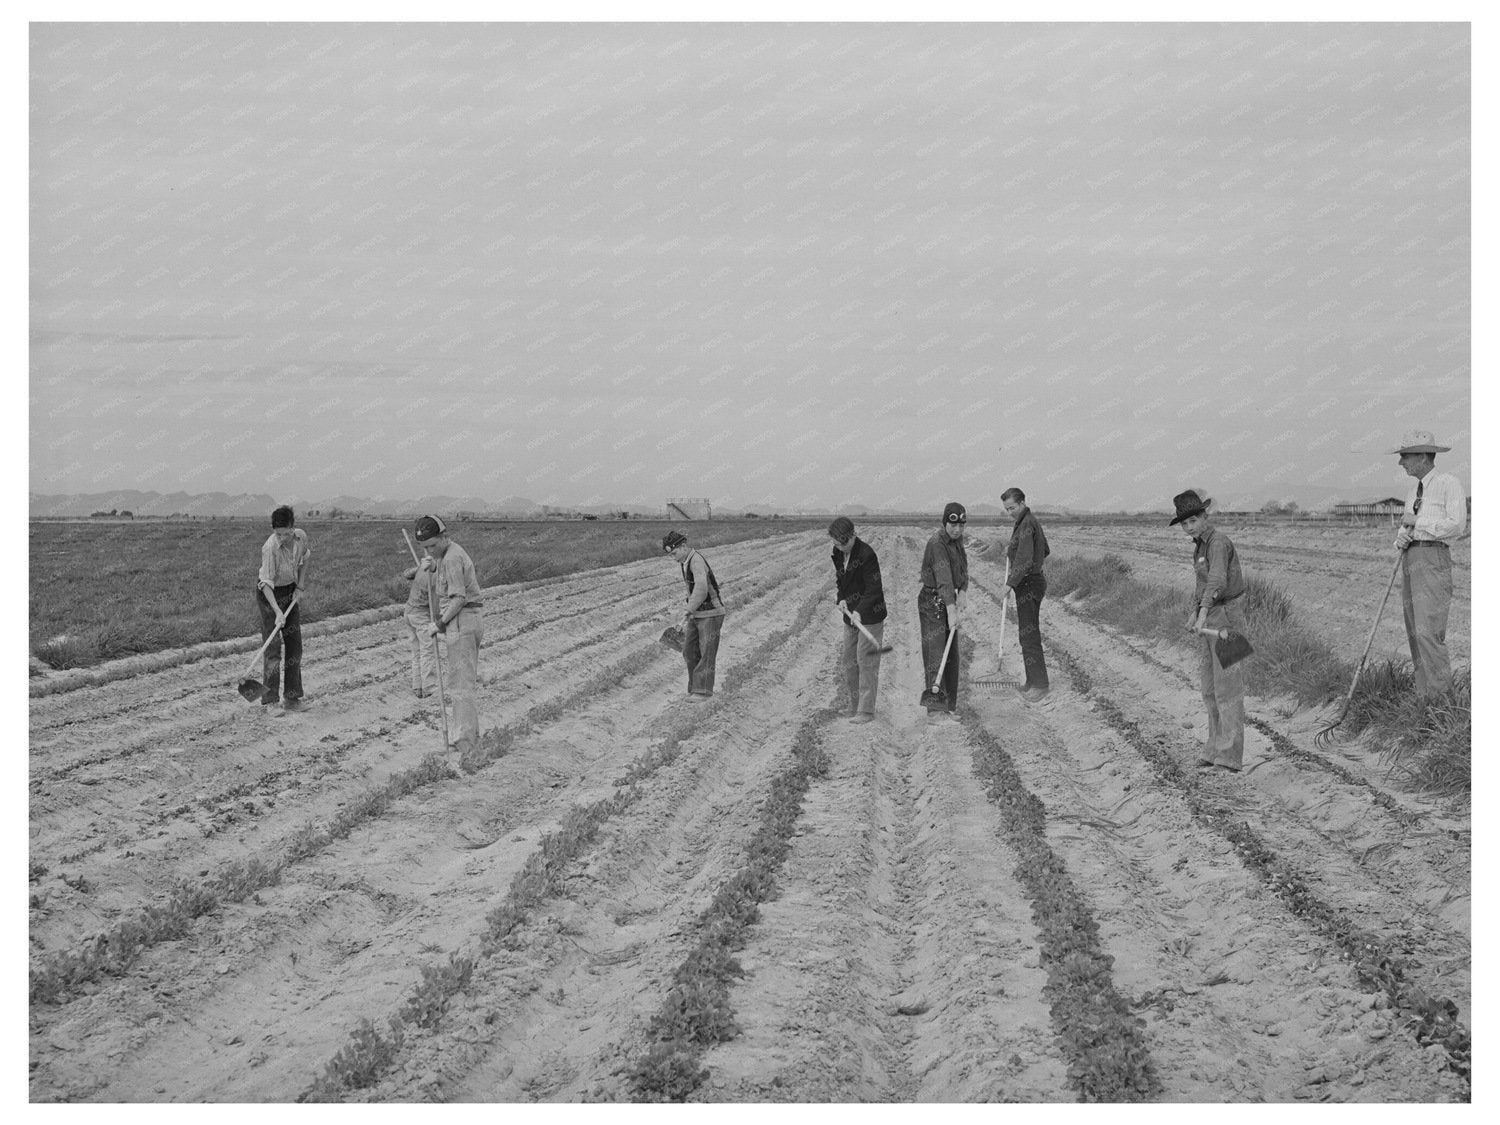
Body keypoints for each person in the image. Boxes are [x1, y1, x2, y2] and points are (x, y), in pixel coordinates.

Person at [1170, 488, 1247, 772]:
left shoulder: (1217, 543)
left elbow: (1216, 581)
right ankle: (1214, 749)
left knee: (1229, 689)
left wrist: (1202, 614)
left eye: (1193, 521)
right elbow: (1202, 586)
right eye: (1184, 523)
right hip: (1209, 617)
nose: (1188, 527)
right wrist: (1195, 614)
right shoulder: (1199, 546)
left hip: (1228, 617)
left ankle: (1230, 757)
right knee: (1210, 690)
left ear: (1204, 516)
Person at [1389, 430, 1467, 697]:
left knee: (1428, 632)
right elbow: (1409, 525)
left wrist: (1418, 524)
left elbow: (1457, 526)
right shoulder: (1413, 491)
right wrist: (1402, 536)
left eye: (1405, 456)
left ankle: (1443, 703)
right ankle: (1425, 701)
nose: (1401, 463)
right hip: (1411, 558)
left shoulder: (1449, 484)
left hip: (1433, 559)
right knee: (1414, 632)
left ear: (1423, 456)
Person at [414, 515, 484, 753]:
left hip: (461, 622)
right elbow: (446, 578)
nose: (429, 551)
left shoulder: (452, 558)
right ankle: (467, 738)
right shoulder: (445, 556)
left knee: (461, 684)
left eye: (433, 545)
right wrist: (433, 567)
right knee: (459, 681)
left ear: (444, 536)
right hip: (462, 622)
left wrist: (439, 624)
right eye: (425, 548)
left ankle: (466, 745)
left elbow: (458, 598)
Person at [829, 516, 887, 724]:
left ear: (853, 536)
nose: (840, 547)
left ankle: (866, 711)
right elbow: (840, 580)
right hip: (850, 615)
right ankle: (854, 707)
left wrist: (860, 611)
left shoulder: (867, 555)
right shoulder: (838, 552)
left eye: (844, 543)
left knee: (866, 661)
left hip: (869, 615)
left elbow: (874, 589)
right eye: (836, 543)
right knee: (849, 661)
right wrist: (841, 598)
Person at [255, 504, 311, 711]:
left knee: (295, 644)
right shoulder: (270, 548)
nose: (282, 538)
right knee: (273, 648)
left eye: (286, 534)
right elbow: (266, 584)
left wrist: (300, 586)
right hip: (270, 594)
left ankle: (292, 698)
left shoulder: (301, 537)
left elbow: (306, 558)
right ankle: (270, 702)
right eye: (278, 534)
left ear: (293, 528)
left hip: (290, 591)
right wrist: (277, 611)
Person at [919, 502, 969, 722]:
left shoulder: (957, 542)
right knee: (936, 653)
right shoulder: (937, 544)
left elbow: (962, 568)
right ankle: (935, 711)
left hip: (948, 600)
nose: (957, 530)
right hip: (933, 602)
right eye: (952, 524)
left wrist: (964, 592)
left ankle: (948, 707)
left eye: (961, 525)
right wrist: (951, 609)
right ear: (945, 522)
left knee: (951, 657)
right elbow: (944, 578)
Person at [1001, 487, 1051, 703]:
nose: (1010, 511)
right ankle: (1032, 681)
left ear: (1022, 503)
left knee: (1029, 636)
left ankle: (1040, 685)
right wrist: (1012, 549)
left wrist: (1010, 583)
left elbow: (1024, 558)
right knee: (1026, 634)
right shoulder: (1026, 522)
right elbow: (1045, 549)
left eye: (1012, 507)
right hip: (1031, 581)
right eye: (1006, 509)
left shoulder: (1027, 523)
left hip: (1029, 584)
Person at [663, 529, 726, 700]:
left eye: (674, 553)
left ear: (683, 546)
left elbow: (701, 588)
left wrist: (688, 610)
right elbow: (692, 590)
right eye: (670, 555)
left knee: (706, 653)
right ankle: (693, 689)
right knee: (689, 651)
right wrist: (691, 611)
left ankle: (702, 692)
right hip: (697, 613)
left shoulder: (696, 561)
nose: (673, 557)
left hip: (711, 613)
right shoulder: (686, 562)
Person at [400, 554, 439, 700]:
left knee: (416, 651)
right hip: (420, 616)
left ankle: (417, 686)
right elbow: (435, 605)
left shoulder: (422, 569)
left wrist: (419, 568)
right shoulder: (435, 578)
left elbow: (406, 574)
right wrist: (437, 622)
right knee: (427, 651)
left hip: (408, 613)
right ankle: (429, 687)